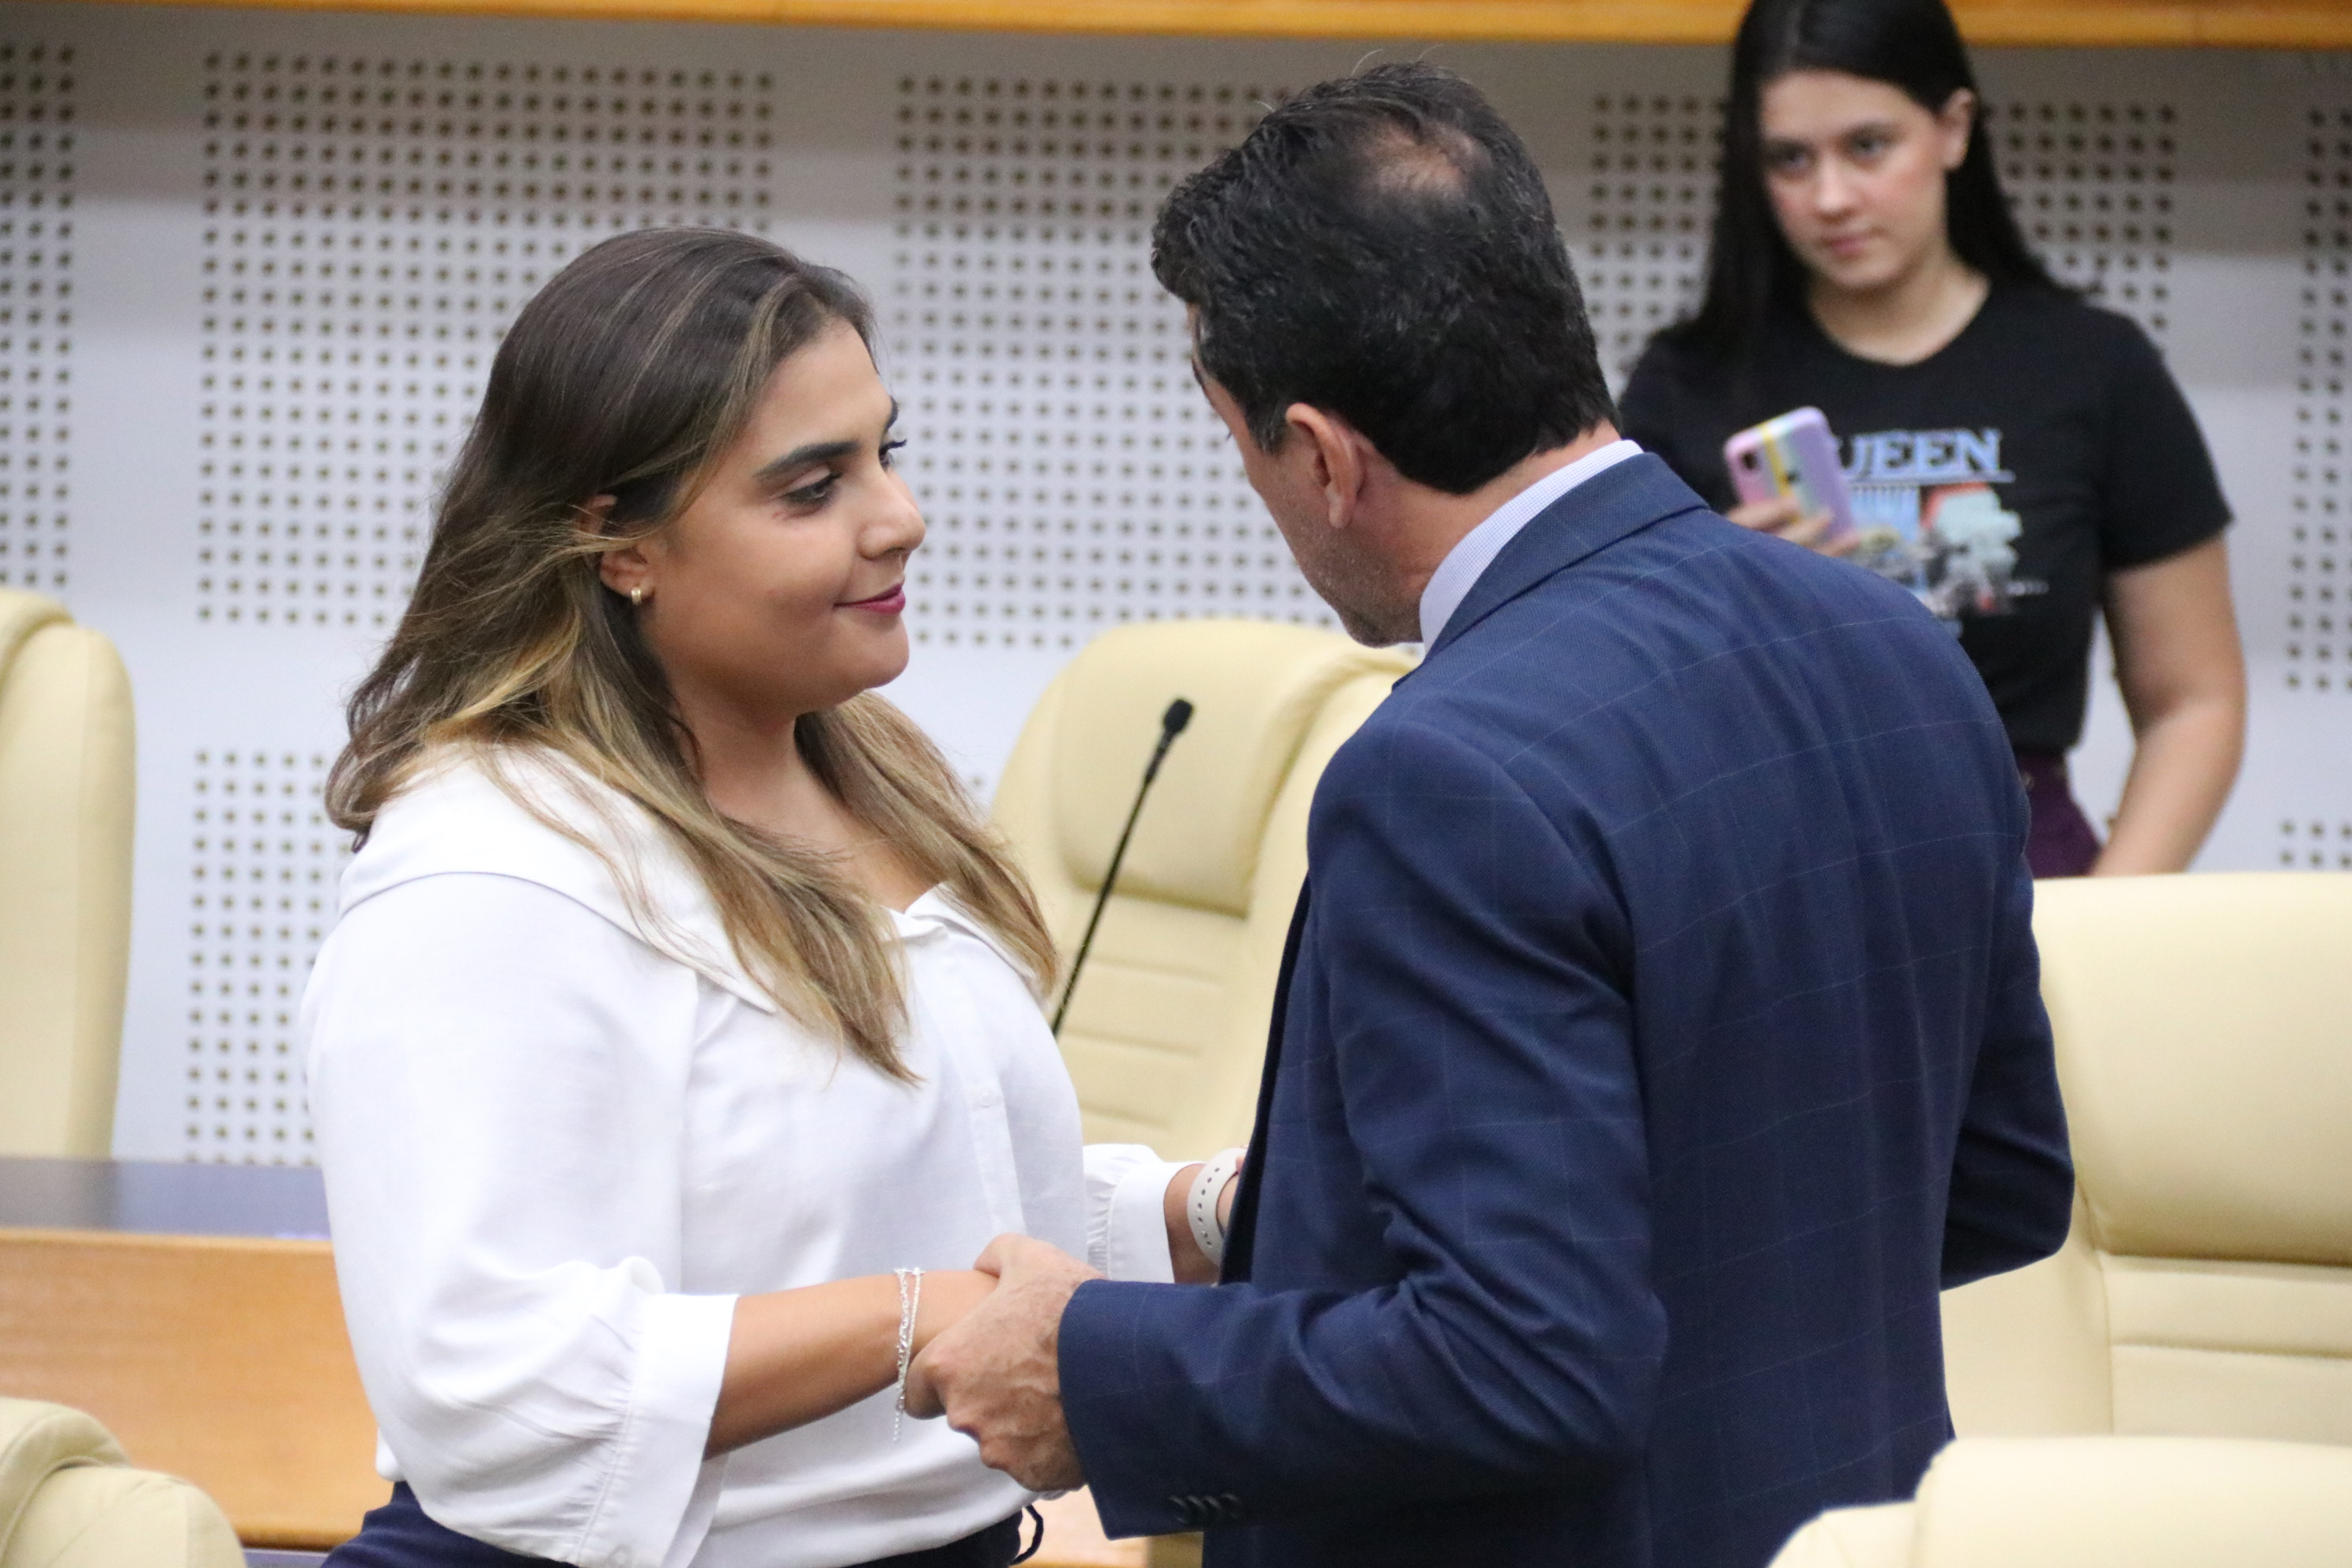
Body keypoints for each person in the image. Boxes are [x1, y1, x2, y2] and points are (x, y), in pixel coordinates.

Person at [905, 62, 2074, 1568]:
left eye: (1243, 447)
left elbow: (1522, 1358)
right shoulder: (1896, 648)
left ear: (1323, 454)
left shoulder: (1444, 772)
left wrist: (1094, 1366)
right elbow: (1997, 1184)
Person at [301, 228, 1234, 1568]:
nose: (898, 517)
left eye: (886, 453)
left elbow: (865, 1206)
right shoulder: (489, 870)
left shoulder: (864, 769)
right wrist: (923, 1316)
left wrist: (1195, 1214)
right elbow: (492, 1385)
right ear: (617, 544)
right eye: (812, 487)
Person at [1619, 0, 2245, 878]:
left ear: (1953, 128)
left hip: (2027, 863)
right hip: (1771, 870)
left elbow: (2194, 701)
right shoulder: (1687, 383)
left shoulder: (2092, 367)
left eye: (1869, 146)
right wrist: (1726, 602)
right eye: (1790, 159)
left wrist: (2113, 916)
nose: (1831, 197)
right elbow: (1623, 703)